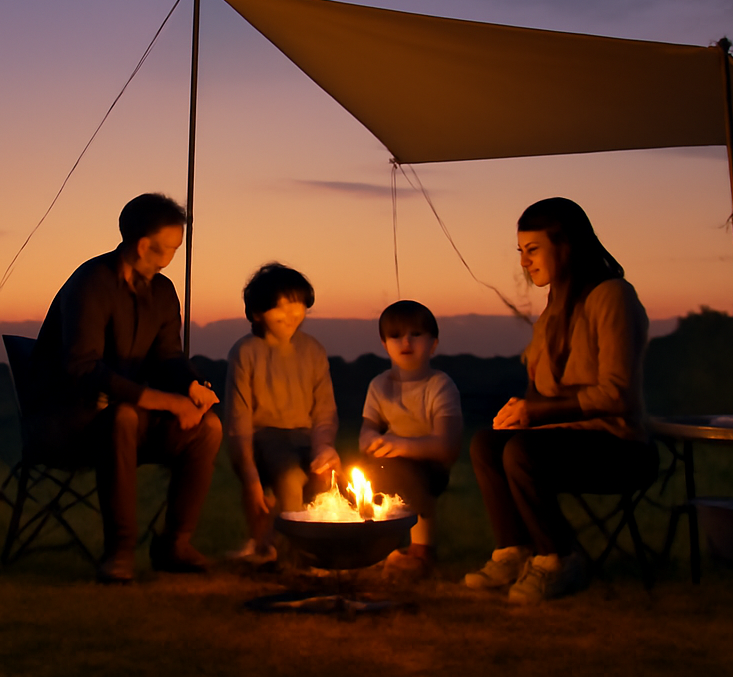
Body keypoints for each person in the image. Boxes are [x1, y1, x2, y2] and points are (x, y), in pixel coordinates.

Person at [464, 197, 656, 604]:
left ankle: (557, 558)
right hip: (564, 437)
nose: (524, 263)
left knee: (523, 452)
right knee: (487, 443)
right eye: (521, 252)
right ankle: (513, 552)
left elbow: (617, 393)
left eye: (533, 251)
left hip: (618, 447)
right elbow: (543, 389)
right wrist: (522, 411)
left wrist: (537, 412)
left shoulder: (612, 296)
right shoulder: (554, 309)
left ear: (565, 245)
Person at [28, 193, 222, 584]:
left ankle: (175, 543)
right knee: (123, 417)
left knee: (209, 428)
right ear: (143, 244)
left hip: (128, 419)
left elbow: (166, 356)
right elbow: (83, 368)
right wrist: (165, 400)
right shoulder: (91, 283)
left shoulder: (162, 292)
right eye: (171, 247)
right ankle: (119, 550)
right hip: (71, 422)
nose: (174, 254)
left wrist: (189, 386)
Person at [224, 263, 340, 565]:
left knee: (325, 478)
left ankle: (325, 549)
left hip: (305, 436)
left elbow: (325, 409)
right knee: (289, 477)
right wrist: (250, 476)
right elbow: (239, 420)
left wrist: (324, 447)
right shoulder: (246, 352)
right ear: (258, 313)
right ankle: (294, 554)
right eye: (280, 307)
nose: (291, 314)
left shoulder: (313, 350)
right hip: (266, 437)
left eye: (297, 304)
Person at [359, 300, 463, 578]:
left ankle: (422, 550)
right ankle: (377, 546)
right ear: (384, 344)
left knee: (406, 472)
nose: (406, 342)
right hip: (388, 464)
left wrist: (400, 445)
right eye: (395, 335)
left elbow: (446, 446)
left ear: (433, 343)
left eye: (415, 334)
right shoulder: (380, 385)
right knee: (364, 474)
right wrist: (372, 441)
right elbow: (367, 430)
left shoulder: (439, 386)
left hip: (430, 466)